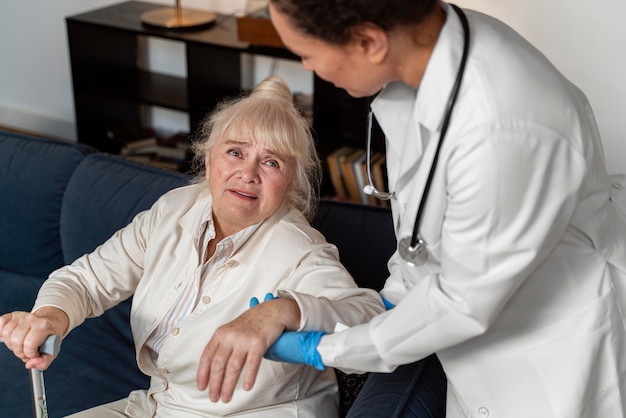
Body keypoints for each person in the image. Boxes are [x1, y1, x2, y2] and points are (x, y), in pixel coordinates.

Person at [198, 1, 626, 417]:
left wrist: (323, 350)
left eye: (308, 55)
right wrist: (336, 310)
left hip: (548, 358)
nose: (309, 69)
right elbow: (422, 244)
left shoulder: (503, 128)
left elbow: (459, 304)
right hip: (473, 339)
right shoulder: (422, 66)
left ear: (368, 41)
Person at [0, 75, 386, 417]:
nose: (247, 174)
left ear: (292, 182)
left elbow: (372, 322)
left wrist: (283, 311)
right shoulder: (173, 209)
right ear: (208, 156)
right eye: (235, 152)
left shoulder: (299, 248)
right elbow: (87, 280)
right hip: (160, 404)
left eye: (271, 163)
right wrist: (50, 316)